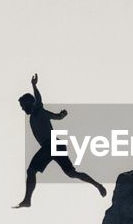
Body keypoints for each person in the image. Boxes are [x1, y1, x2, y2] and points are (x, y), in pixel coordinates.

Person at [14, 73, 106, 208]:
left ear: (30, 103)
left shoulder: (38, 110)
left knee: (31, 171)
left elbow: (38, 100)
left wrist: (34, 86)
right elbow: (57, 117)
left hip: (50, 145)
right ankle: (98, 185)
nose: (23, 109)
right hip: (56, 145)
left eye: (23, 106)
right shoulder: (39, 113)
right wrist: (62, 115)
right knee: (71, 173)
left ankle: (27, 200)